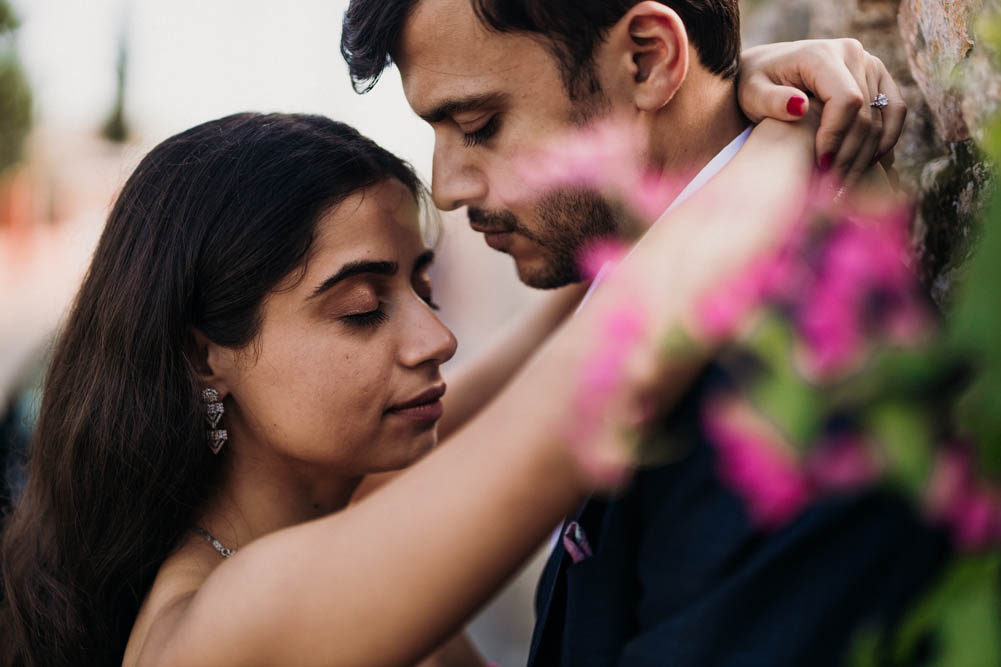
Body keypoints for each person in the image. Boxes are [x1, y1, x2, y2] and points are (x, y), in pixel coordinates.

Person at [0, 107, 827, 666]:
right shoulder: (230, 620)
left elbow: (580, 312)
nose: (436, 339)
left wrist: (715, 110)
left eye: (422, 290)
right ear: (204, 354)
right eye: (362, 310)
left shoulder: (350, 501)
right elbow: (598, 378)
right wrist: (791, 133)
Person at [340, 1, 949, 665]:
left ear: (649, 59)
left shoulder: (791, 379)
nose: (446, 187)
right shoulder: (633, 301)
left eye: (479, 125)